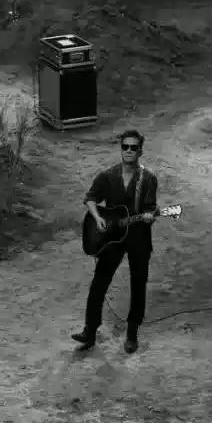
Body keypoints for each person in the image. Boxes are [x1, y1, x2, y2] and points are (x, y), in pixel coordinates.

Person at [73, 130, 158, 354]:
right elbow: (90, 198)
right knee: (99, 282)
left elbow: (150, 208)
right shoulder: (108, 176)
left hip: (138, 237)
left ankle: (132, 333)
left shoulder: (148, 178)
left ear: (140, 151)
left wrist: (149, 217)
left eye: (133, 147)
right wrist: (98, 218)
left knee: (138, 284)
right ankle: (90, 331)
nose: (128, 151)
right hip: (112, 238)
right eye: (125, 147)